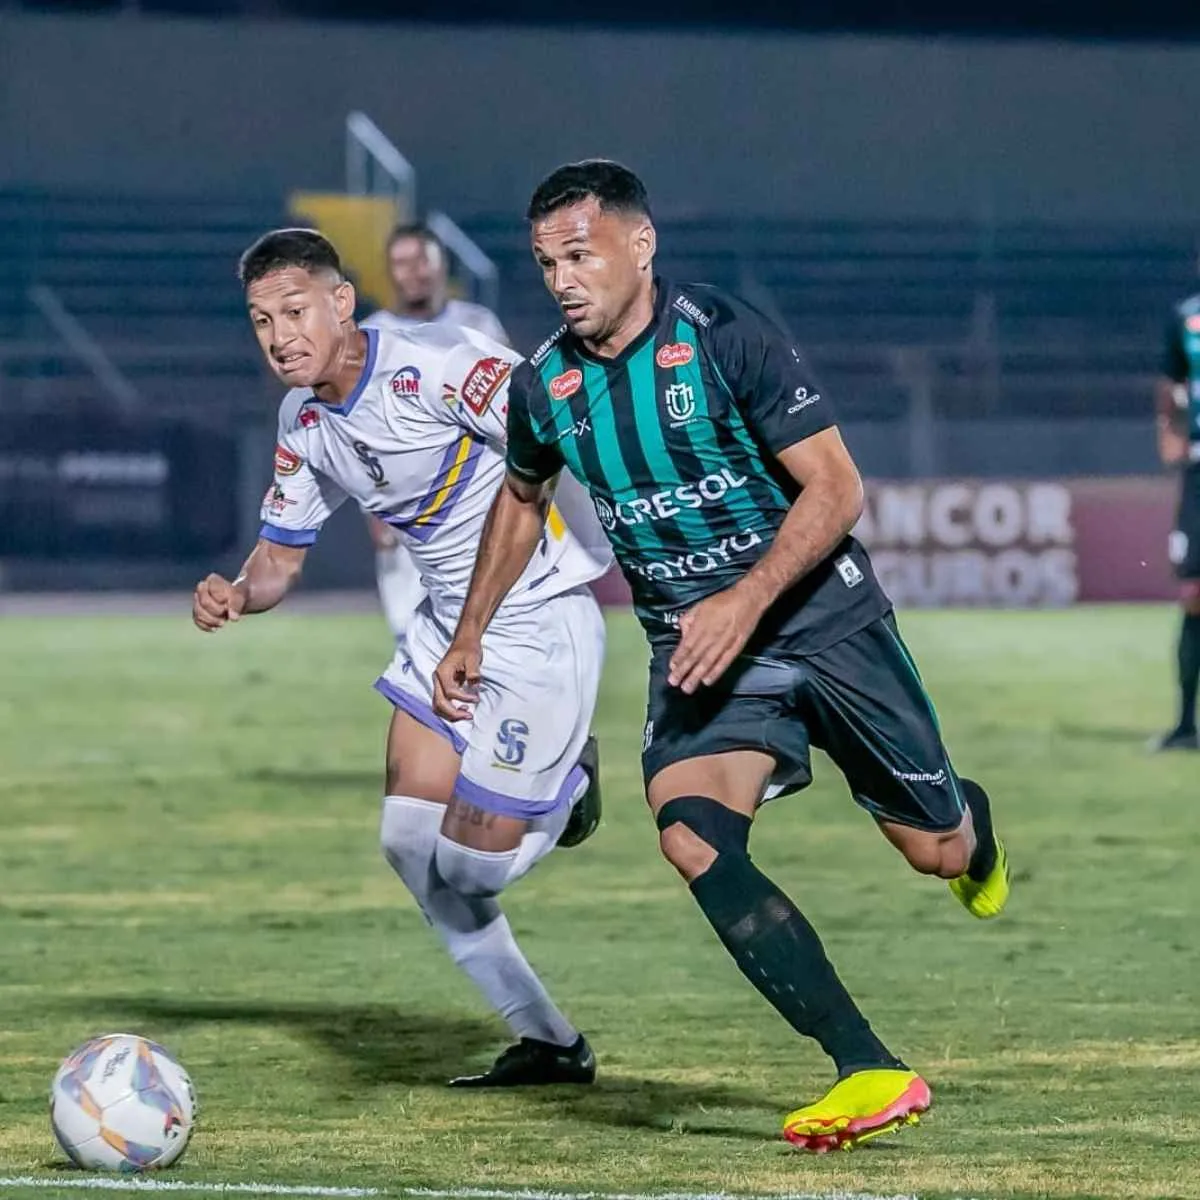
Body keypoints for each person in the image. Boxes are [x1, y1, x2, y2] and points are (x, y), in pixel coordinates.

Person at [432, 161, 1010, 1150]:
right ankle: (867, 1067)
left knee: (938, 853)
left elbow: (836, 489)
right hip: (697, 653)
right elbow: (522, 497)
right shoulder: (545, 385)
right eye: (546, 263)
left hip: (826, 626)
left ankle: (967, 820)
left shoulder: (722, 336)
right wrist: (471, 629)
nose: (562, 280)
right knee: (691, 834)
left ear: (640, 245)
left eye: (580, 255)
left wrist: (743, 601)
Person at [192, 227, 608, 1087]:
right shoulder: (303, 420)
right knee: (410, 843)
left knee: (470, 868)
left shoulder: (440, 364)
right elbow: (280, 558)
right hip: (443, 627)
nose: (280, 337)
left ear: (343, 302)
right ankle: (550, 1042)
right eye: (262, 320)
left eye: (295, 312)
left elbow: (558, 429)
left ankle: (569, 793)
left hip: (536, 623)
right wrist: (237, 591)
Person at [360, 224, 513, 643]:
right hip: (406, 499)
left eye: (421, 260)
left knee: (489, 629)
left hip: (477, 495)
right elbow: (362, 429)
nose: (413, 272)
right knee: (412, 632)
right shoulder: (372, 335)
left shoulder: (478, 323)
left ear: (441, 264)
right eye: (401, 262)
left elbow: (510, 403)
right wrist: (373, 508)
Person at [1152, 289, 1200, 751]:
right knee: (1194, 593)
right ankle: (1186, 725)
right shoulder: (1186, 316)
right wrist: (1168, 433)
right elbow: (1170, 382)